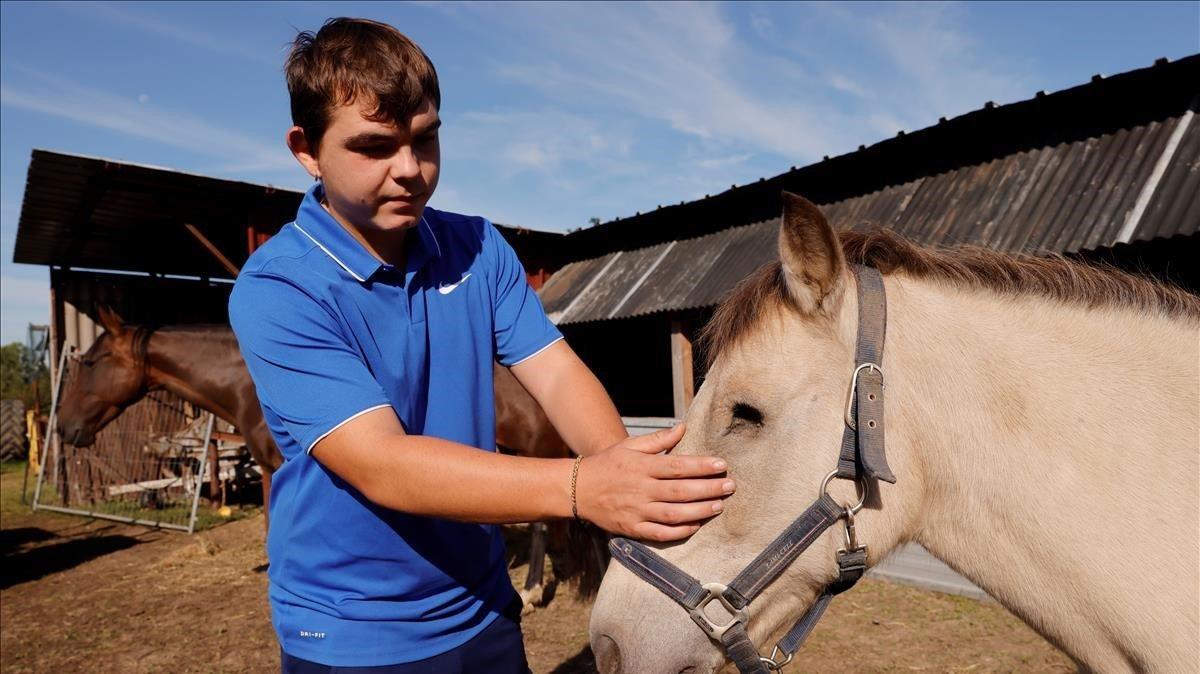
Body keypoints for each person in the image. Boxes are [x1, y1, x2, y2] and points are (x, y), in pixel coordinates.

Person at [228, 17, 735, 674]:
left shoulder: (476, 247)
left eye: (425, 139)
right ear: (306, 148)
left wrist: (627, 480)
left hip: (483, 607)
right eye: (375, 146)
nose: (409, 169)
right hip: (355, 632)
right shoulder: (279, 288)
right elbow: (381, 463)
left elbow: (555, 374)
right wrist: (585, 488)